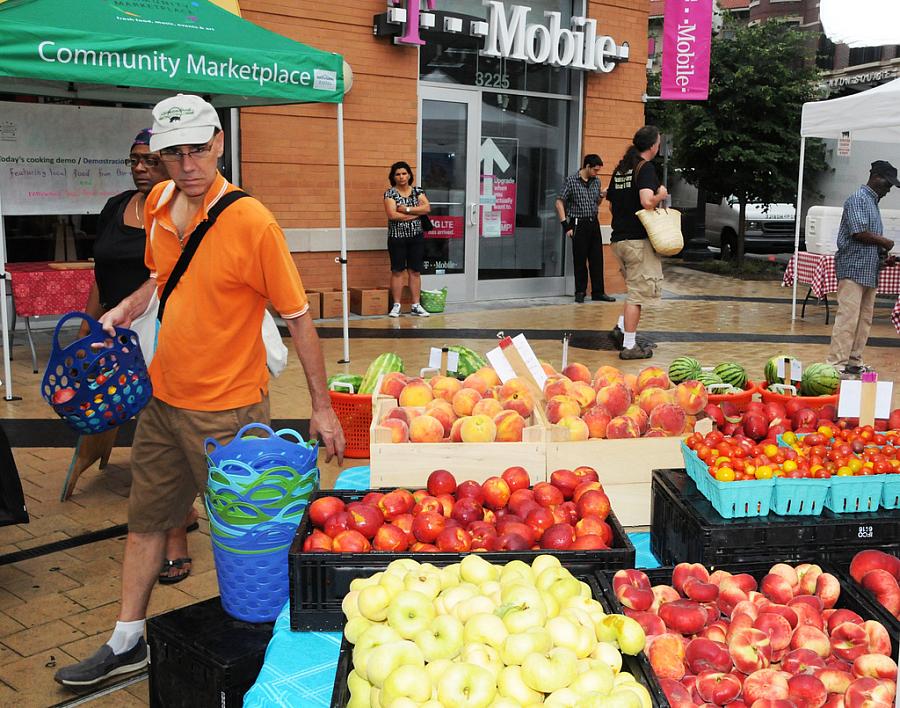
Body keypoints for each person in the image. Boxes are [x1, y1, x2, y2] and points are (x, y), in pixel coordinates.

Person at [55, 94, 345, 688]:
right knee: (147, 521)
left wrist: (321, 407)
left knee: (247, 537)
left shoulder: (252, 222)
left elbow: (298, 317)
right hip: (161, 400)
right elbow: (163, 276)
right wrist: (128, 306)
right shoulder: (160, 203)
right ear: (159, 156)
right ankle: (126, 639)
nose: (186, 165)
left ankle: (271, 648)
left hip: (230, 408)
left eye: (196, 150)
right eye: (172, 153)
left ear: (219, 143)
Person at [80, 129, 198, 586]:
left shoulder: (183, 211)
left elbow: (171, 277)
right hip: (117, 337)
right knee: (147, 437)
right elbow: (100, 273)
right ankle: (177, 512)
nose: (140, 168)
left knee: (162, 439)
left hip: (163, 336)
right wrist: (88, 328)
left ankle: (174, 543)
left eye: (150, 160)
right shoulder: (116, 207)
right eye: (134, 160)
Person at [825, 160, 898, 376]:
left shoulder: (873, 202)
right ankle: (835, 364)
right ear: (876, 177)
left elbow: (868, 241)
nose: (888, 190)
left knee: (864, 320)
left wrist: (883, 258)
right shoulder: (858, 199)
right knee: (847, 318)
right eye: (887, 184)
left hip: (869, 270)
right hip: (853, 269)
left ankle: (854, 360)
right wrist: (884, 242)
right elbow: (858, 232)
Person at [605, 126, 668, 360]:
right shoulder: (646, 168)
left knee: (633, 289)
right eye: (658, 143)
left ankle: (621, 328)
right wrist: (660, 195)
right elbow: (646, 201)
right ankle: (630, 346)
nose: (658, 146)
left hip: (618, 240)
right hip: (637, 241)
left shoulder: (622, 169)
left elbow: (611, 204)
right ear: (653, 146)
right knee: (637, 296)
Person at [556, 154, 615, 303]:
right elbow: (559, 202)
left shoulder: (596, 181)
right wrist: (565, 225)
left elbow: (597, 202)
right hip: (578, 222)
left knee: (597, 258)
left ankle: (598, 292)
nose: (597, 173)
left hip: (593, 222)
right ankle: (580, 291)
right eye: (595, 169)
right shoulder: (571, 181)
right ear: (587, 166)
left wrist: (602, 195)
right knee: (580, 259)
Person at [384, 161, 432, 317]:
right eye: (397, 174)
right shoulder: (390, 193)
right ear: (393, 177)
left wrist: (406, 209)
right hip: (397, 238)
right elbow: (392, 215)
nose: (401, 177)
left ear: (409, 175)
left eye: (404, 173)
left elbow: (427, 208)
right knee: (397, 271)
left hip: (416, 237)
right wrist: (416, 214)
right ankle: (396, 305)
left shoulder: (417, 191)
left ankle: (415, 305)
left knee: (415, 271)